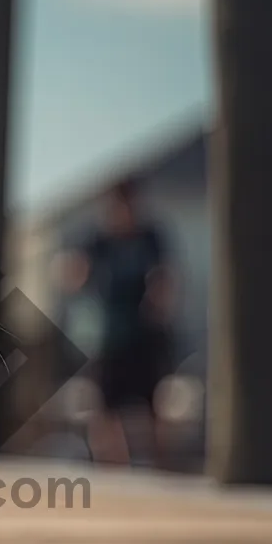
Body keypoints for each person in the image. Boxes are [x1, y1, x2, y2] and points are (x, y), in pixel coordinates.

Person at [74, 177, 177, 467]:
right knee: (105, 406)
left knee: (152, 405)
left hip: (145, 334)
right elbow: (74, 273)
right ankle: (112, 464)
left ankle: (160, 466)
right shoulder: (98, 241)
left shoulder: (150, 237)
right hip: (109, 336)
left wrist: (161, 299)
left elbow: (165, 277)